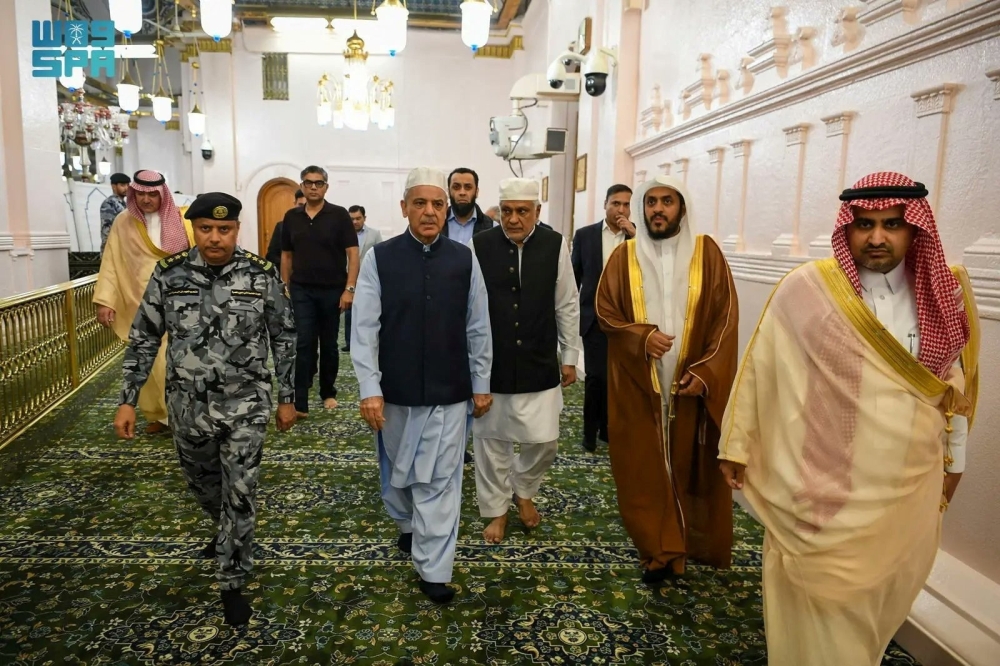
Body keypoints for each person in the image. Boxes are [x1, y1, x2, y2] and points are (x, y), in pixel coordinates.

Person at [718, 172, 980, 666]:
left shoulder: (946, 292)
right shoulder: (809, 288)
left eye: (891, 224)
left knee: (877, 602)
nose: (876, 236)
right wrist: (737, 443)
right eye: (864, 224)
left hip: (908, 483)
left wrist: (956, 459)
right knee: (819, 597)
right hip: (826, 483)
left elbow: (955, 388)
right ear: (848, 227)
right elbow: (763, 368)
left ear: (914, 229)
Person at [112, 192, 297, 627]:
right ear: (194, 229)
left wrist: (288, 397)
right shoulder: (169, 274)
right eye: (207, 229)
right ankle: (225, 529)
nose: (216, 238)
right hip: (188, 406)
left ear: (237, 229)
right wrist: (128, 399)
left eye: (225, 229)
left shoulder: (260, 274)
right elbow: (143, 339)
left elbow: (285, 337)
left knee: (240, 490)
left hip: (245, 405)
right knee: (202, 481)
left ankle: (232, 580)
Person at [350, 167, 493, 604]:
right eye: (420, 203)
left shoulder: (465, 257)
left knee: (441, 480)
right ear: (404, 208)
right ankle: (408, 525)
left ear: (446, 209)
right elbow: (364, 327)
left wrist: (481, 380)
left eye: (437, 205)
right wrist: (369, 387)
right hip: (396, 391)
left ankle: (434, 569)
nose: (429, 212)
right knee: (398, 473)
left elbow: (479, 325)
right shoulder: (380, 257)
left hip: (450, 391)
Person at [596, 175, 739, 583]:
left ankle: (690, 541)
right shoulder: (623, 257)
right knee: (645, 468)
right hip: (641, 383)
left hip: (689, 384)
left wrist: (706, 370)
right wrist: (642, 338)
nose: (658, 209)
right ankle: (658, 551)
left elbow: (726, 317)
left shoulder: (706, 252)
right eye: (651, 202)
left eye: (667, 201)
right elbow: (606, 312)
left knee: (688, 464)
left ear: (682, 207)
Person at [471, 178, 581, 544]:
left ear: (537, 211)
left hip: (538, 359)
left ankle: (523, 489)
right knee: (491, 442)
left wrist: (569, 356)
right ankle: (496, 510)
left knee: (544, 440)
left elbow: (566, 302)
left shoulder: (554, 245)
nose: (513, 219)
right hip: (493, 362)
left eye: (522, 211)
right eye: (506, 211)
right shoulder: (480, 245)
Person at [94, 169, 194, 435]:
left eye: (152, 193)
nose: (147, 199)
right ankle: (160, 415)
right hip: (138, 297)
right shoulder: (122, 222)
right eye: (141, 194)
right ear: (133, 193)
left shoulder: (183, 221)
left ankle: (182, 413)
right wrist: (106, 300)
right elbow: (111, 263)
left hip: (180, 300)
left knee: (177, 359)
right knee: (148, 360)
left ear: (163, 194)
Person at [281, 167, 359, 417]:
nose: (313, 187)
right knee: (303, 343)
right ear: (302, 186)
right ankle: (300, 399)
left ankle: (328, 391)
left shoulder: (338, 215)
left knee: (329, 345)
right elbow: (286, 255)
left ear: (326, 186)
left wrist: (349, 288)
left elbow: (353, 254)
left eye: (319, 183)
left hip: (332, 290)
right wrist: (285, 286)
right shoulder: (292, 217)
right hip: (301, 289)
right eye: (308, 183)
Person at [571, 184, 635, 452]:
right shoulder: (585, 236)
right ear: (605, 204)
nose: (620, 209)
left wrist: (634, 236)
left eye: (626, 204)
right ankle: (589, 431)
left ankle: (608, 429)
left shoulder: (637, 238)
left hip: (626, 320)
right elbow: (574, 277)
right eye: (616, 203)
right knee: (596, 376)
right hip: (594, 317)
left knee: (617, 377)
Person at [342, 205, 383, 353]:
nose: (355, 222)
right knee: (349, 314)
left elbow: (380, 255)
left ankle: (369, 341)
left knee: (369, 311)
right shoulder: (343, 235)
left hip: (369, 278)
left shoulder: (374, 234)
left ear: (364, 218)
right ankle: (349, 342)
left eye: (358, 218)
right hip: (348, 279)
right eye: (352, 219)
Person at [441, 167, 494, 244]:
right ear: (448, 191)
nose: (462, 192)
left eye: (468, 187)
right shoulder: (437, 224)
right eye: (456, 187)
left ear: (476, 192)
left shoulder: (492, 227)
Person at [265, 189, 305, 271]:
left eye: (307, 205)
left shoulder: (320, 225)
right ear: (295, 204)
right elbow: (271, 255)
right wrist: (287, 264)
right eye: (300, 205)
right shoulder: (281, 226)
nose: (303, 209)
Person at [99, 172, 130, 256]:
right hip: (113, 248)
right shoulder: (109, 203)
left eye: (128, 185)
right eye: (123, 185)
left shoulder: (124, 204)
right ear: (114, 186)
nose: (126, 188)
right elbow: (107, 228)